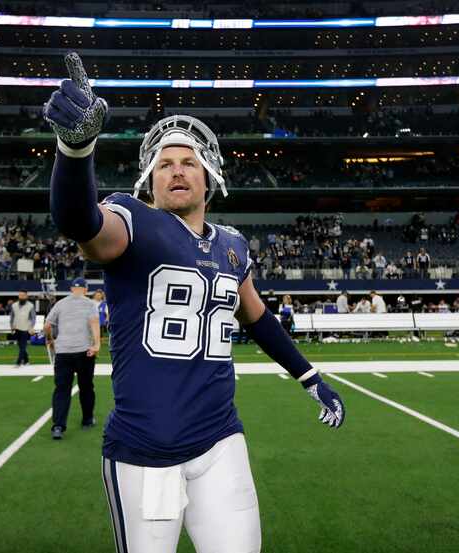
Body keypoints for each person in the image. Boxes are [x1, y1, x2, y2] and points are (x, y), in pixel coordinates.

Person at [44, 53, 344, 553]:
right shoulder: (132, 221)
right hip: (147, 453)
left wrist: (310, 377)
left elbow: (259, 317)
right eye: (164, 164)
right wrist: (76, 150)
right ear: (150, 179)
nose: (176, 171)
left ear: (209, 178)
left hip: (221, 440)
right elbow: (80, 221)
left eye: (188, 163)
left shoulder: (233, 244)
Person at [43, 277, 100, 440]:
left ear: (71, 289)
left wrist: (50, 340)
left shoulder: (60, 304)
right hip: (84, 351)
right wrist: (96, 345)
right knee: (86, 387)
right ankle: (87, 419)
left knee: (62, 389)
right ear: (85, 289)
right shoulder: (90, 304)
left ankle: (58, 426)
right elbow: (94, 323)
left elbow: (48, 326)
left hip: (63, 352)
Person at [10, 290, 37, 367]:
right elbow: (12, 317)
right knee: (21, 346)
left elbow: (33, 318)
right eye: (20, 295)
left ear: (26, 296)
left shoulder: (30, 305)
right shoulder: (14, 305)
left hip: (26, 329)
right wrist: (11, 325)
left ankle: (18, 362)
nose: (21, 297)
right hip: (16, 328)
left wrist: (31, 327)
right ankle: (26, 361)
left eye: (23, 295)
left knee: (23, 346)